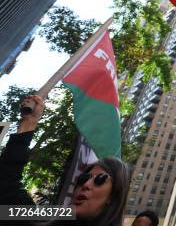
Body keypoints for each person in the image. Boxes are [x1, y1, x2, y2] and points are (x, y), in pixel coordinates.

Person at [0, 95, 130, 226]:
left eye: (99, 179)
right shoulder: (45, 218)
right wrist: (30, 121)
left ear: (113, 197)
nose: (86, 185)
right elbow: (6, 184)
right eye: (83, 178)